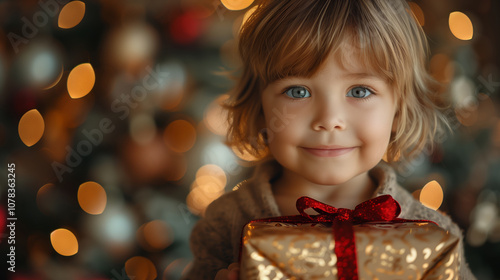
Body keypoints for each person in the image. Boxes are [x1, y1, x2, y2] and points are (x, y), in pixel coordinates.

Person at [184, 0, 476, 279]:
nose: (329, 119)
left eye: (359, 91)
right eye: (298, 91)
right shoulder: (226, 223)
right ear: (260, 109)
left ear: (398, 110)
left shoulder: (433, 233)